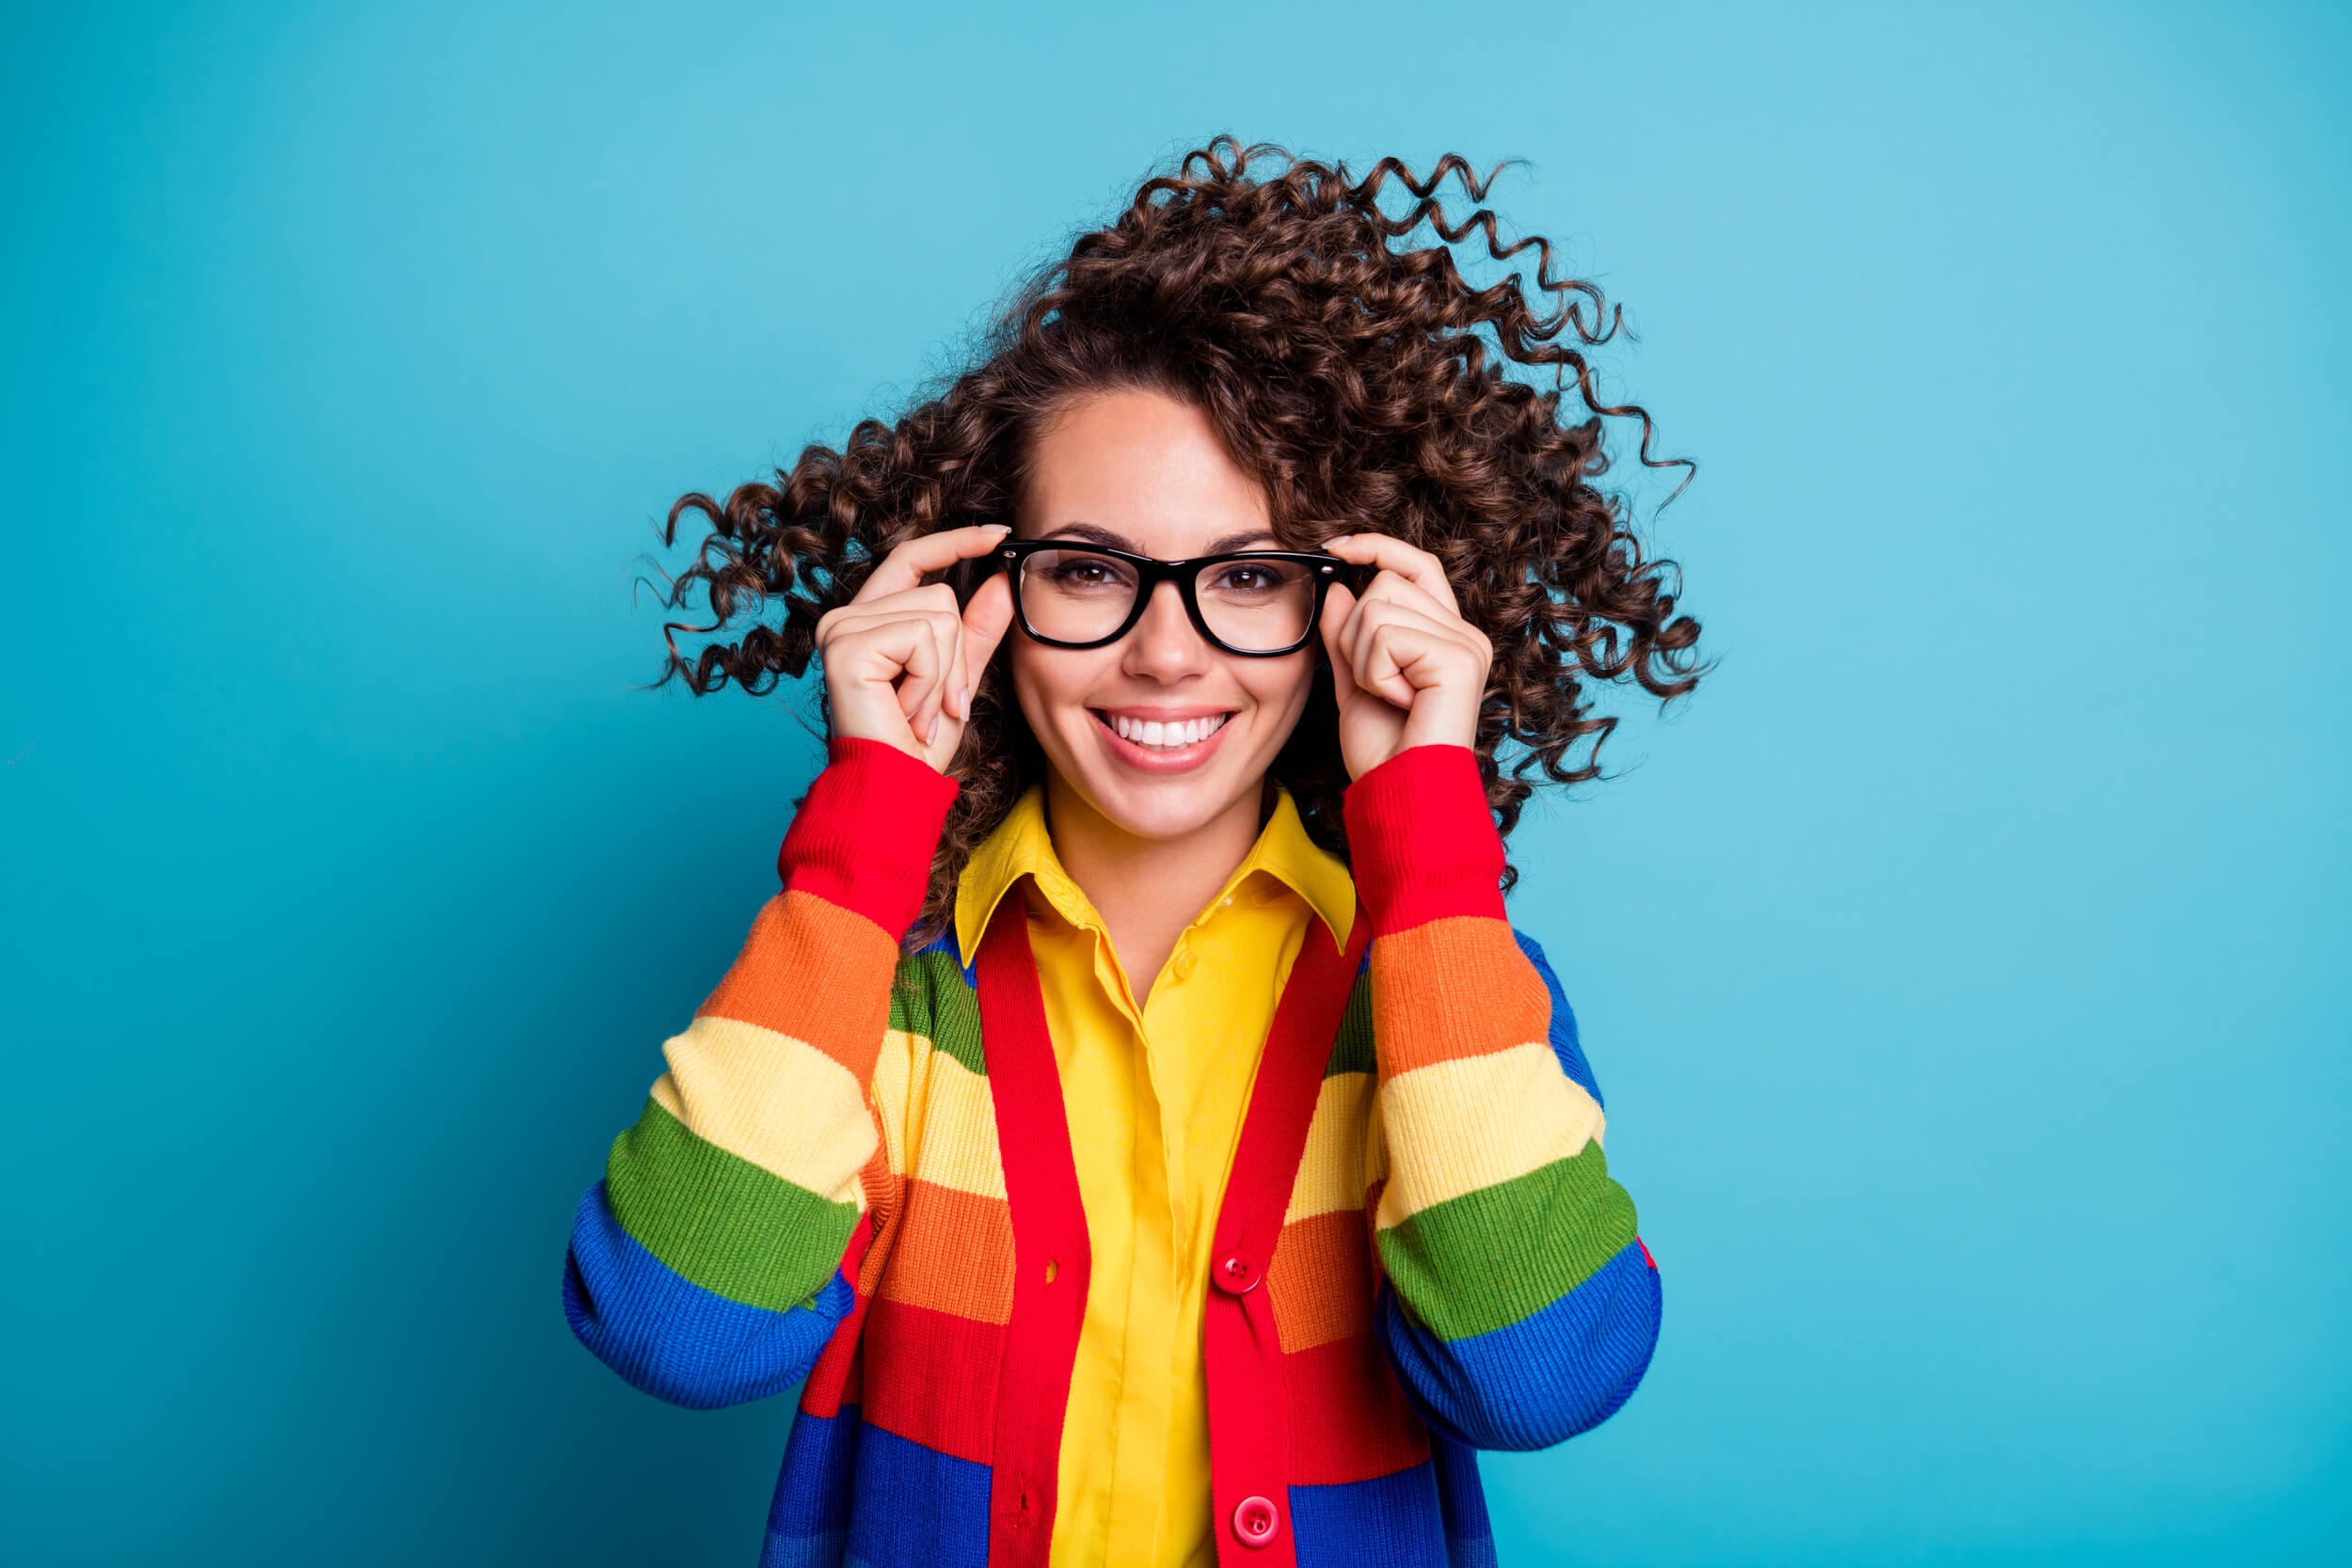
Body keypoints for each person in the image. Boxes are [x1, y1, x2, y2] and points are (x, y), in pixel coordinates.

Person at [564, 137, 1705, 1568]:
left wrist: (1424, 815)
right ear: (986, 592)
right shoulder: (878, 986)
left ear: (1347, 612)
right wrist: (865, 827)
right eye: (1090, 571)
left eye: (1249, 577)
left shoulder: (1442, 983)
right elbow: (675, 1328)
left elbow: (1540, 1375)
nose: (1166, 655)